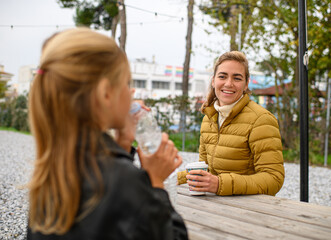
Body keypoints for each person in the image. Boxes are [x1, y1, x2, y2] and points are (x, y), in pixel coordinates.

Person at [27, 28, 188, 239]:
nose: (131, 93)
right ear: (105, 94)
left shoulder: (52, 171)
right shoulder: (125, 181)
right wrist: (155, 183)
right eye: (126, 83)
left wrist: (122, 142)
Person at [178, 51, 285, 196]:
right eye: (222, 76)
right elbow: (205, 170)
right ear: (213, 80)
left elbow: (274, 179)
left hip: (251, 210)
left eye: (237, 78)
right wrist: (171, 178)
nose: (229, 83)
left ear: (246, 83)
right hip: (218, 207)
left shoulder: (261, 120)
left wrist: (220, 184)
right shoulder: (208, 118)